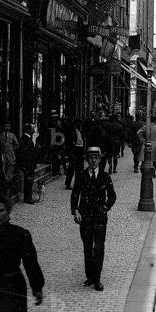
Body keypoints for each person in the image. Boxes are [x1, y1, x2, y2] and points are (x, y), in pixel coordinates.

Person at [70, 146, 117, 292]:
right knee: (87, 247)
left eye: (96, 158)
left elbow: (112, 195)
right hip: (85, 217)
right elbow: (75, 194)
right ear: (87, 160)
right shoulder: (81, 176)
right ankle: (89, 276)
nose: (93, 161)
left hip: (100, 217)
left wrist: (105, 207)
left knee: (99, 248)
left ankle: (97, 279)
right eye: (90, 158)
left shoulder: (104, 176)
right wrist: (75, 211)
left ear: (99, 160)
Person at [16, 124, 38, 204]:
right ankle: (27, 198)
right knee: (28, 181)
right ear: (28, 130)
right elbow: (23, 153)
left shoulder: (28, 138)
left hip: (30, 163)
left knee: (30, 181)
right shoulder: (24, 139)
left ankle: (29, 197)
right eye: (32, 128)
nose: (34, 130)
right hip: (27, 164)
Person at [64, 118, 85, 189]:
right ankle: (68, 183)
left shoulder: (80, 131)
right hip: (74, 150)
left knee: (80, 169)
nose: (80, 125)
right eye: (79, 123)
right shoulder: (72, 131)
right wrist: (70, 152)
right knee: (72, 168)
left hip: (80, 150)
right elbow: (69, 142)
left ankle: (78, 183)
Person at [0, 122, 19, 193]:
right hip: (2, 155)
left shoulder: (12, 135)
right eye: (5, 126)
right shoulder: (0, 135)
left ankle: (9, 189)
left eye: (8, 126)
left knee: (10, 171)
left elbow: (17, 144)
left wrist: (11, 149)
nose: (6, 128)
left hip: (10, 155)